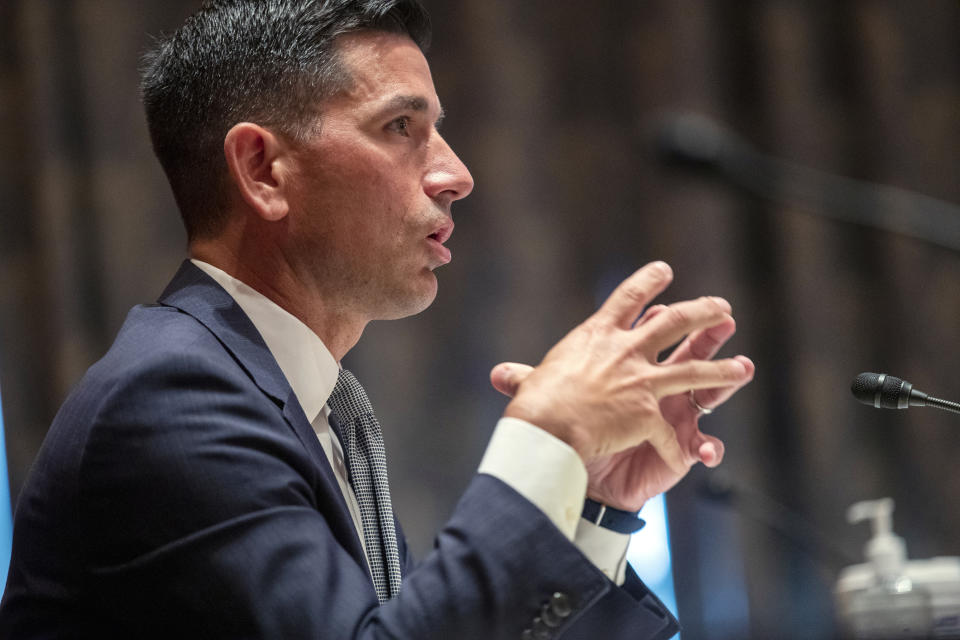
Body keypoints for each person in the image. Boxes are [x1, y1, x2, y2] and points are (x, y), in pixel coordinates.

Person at [0, 1, 754, 638]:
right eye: (401, 127)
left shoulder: (300, 401)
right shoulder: (171, 398)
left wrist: (593, 506)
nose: (456, 174)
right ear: (263, 170)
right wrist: (543, 439)